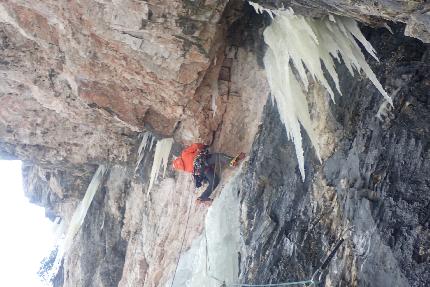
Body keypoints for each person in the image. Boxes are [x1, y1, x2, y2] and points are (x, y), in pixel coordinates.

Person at [172, 143, 243, 205]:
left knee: (214, 180)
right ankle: (231, 161)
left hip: (203, 170)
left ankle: (203, 197)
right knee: (218, 156)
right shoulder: (184, 154)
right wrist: (204, 146)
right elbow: (196, 146)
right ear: (178, 159)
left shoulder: (185, 169)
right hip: (205, 160)